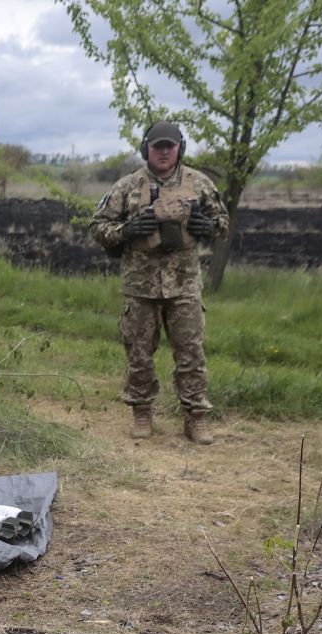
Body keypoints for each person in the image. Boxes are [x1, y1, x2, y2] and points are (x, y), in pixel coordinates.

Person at [89, 120, 229, 445]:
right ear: (146, 149)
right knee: (138, 352)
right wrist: (127, 231)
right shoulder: (127, 186)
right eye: (157, 146)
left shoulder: (199, 183)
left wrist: (207, 226)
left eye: (170, 146)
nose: (164, 152)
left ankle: (196, 417)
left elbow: (223, 222)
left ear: (180, 147)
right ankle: (142, 412)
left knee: (191, 352)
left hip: (184, 285)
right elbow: (98, 227)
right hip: (140, 286)